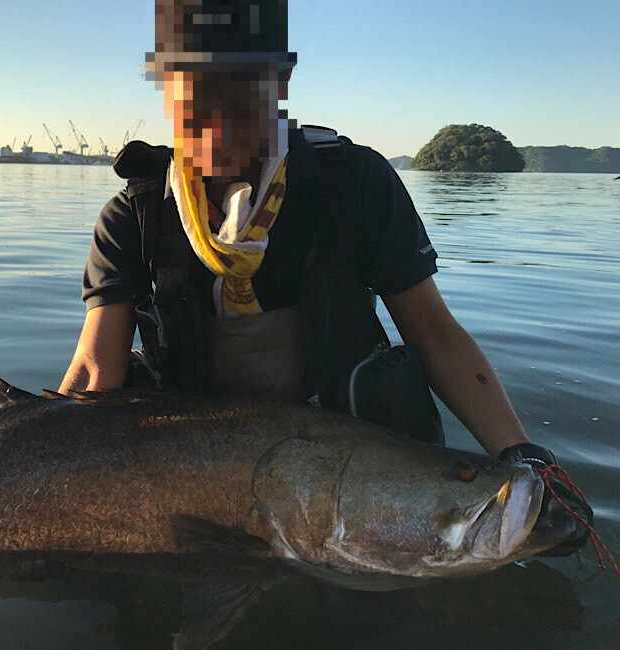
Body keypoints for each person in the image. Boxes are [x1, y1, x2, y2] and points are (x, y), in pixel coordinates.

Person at [60, 0, 590, 554]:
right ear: (165, 83)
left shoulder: (355, 183)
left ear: (280, 77)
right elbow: (97, 371)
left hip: (347, 476)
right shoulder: (134, 214)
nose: (215, 101)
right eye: (192, 78)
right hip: (199, 486)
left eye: (240, 76)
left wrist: (521, 456)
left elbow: (434, 333)